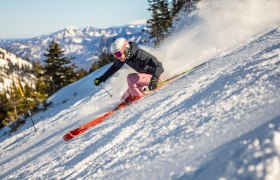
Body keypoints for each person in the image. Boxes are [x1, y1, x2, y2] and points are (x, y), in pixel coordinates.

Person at [94, 38, 164, 104]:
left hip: (155, 77)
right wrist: (101, 79)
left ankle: (139, 99)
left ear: (126, 49)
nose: (117, 57)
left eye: (118, 54)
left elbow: (159, 65)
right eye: (115, 55)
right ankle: (128, 99)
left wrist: (154, 80)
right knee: (124, 97)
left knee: (130, 78)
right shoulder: (125, 57)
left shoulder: (140, 55)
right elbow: (114, 68)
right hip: (145, 78)